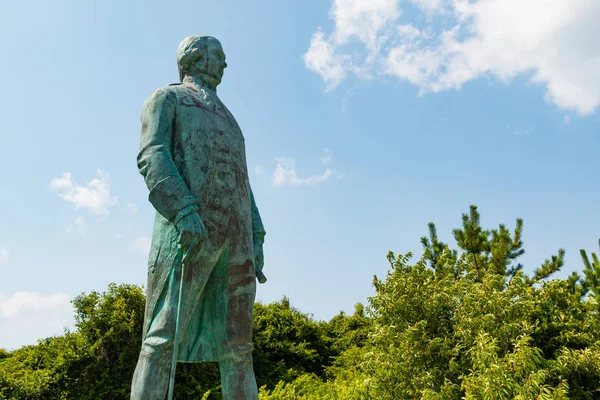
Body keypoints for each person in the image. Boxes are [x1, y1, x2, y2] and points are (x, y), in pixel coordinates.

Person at [130, 35, 266, 400]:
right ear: (192, 59)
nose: (224, 63)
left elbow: (243, 181)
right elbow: (152, 155)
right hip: (189, 231)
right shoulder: (167, 98)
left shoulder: (231, 121)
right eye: (218, 55)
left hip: (236, 242)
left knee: (239, 347)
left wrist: (257, 234)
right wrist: (183, 211)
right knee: (162, 339)